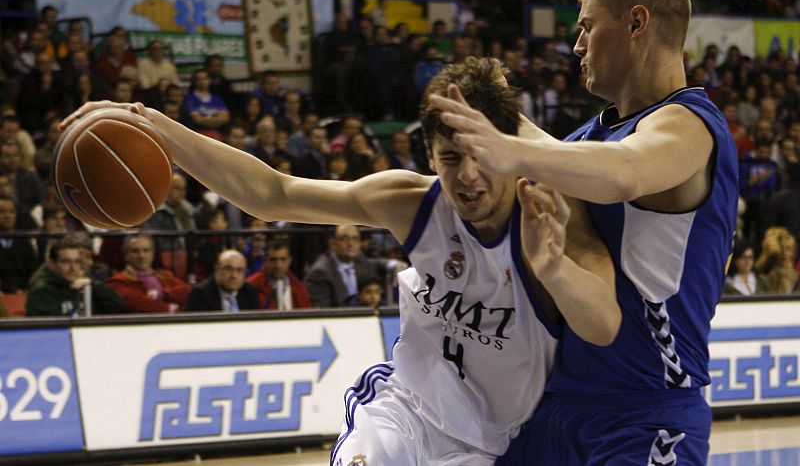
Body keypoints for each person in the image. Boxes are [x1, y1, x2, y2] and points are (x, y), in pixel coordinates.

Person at [61, 57, 618, 464]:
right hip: (404, 413)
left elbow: (604, 324)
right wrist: (154, 124)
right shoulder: (410, 201)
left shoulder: (547, 216)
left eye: (480, 158)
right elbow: (271, 194)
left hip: (497, 445)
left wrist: (554, 271)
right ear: (429, 155)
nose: (467, 177)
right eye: (449, 160)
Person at [433, 0, 739, 465]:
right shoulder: (584, 140)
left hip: (643, 418)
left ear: (636, 23)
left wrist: (514, 141)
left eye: (587, 27)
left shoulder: (688, 124)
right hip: (548, 409)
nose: (576, 45)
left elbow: (623, 172)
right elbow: (544, 169)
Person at [26, 237, 126, 317]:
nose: (73, 268)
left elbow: (118, 308)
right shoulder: (42, 290)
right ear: (52, 264)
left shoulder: (87, 284)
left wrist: (93, 285)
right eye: (65, 262)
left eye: (77, 262)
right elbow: (51, 328)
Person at [304, 225, 389, 307]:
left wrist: (392, 264)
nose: (351, 244)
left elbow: (374, 263)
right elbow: (321, 311)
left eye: (355, 239)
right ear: (332, 243)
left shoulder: (360, 260)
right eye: (344, 239)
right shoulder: (320, 272)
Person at [107, 234, 192, 313]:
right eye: (135, 251)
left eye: (146, 250)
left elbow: (188, 292)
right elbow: (137, 303)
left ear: (153, 254)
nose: (141, 256)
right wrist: (171, 308)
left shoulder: (165, 275)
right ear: (126, 255)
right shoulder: (117, 281)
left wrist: (164, 294)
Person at [184, 249, 260, 312]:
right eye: (228, 269)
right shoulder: (199, 294)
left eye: (239, 270)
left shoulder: (250, 292)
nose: (234, 275)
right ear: (216, 270)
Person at [246, 239, 311, 310]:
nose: (278, 265)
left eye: (283, 259)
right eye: (273, 259)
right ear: (265, 260)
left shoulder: (299, 287)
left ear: (290, 261)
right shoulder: (250, 286)